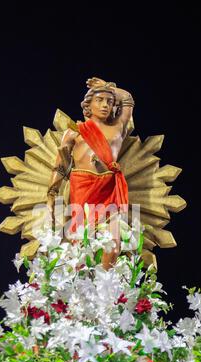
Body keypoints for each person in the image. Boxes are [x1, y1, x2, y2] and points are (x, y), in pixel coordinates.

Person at [47, 77, 135, 270]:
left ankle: (107, 288)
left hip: (108, 191)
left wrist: (109, 87)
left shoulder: (117, 129)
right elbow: (61, 165)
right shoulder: (74, 132)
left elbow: (127, 99)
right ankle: (79, 288)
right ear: (88, 104)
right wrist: (52, 192)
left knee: (113, 244)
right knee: (79, 244)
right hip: (82, 190)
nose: (105, 105)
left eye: (110, 102)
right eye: (100, 100)